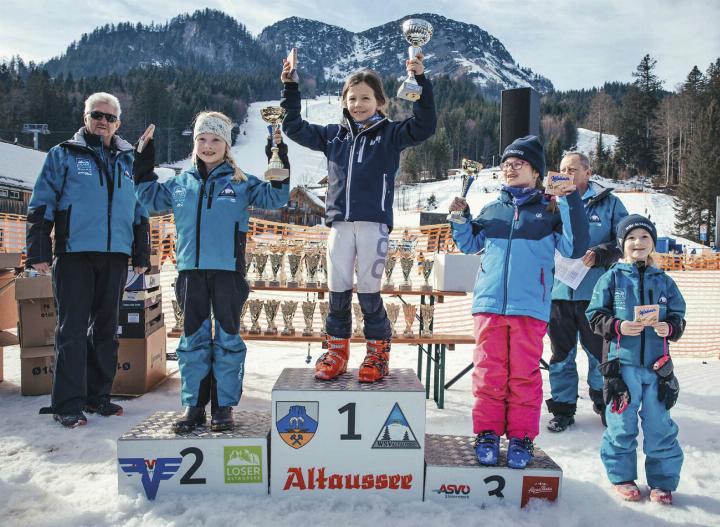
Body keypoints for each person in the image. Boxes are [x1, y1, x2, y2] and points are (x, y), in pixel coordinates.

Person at [280, 54, 436, 382]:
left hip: (373, 225)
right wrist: (291, 88)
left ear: (380, 102)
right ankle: (336, 349)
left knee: (368, 291)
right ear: (343, 102)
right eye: (352, 98)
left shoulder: (390, 134)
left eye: (366, 98)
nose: (358, 104)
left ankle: (377, 353)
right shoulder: (332, 136)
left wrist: (420, 81)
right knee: (337, 291)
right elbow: (292, 127)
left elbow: (424, 126)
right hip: (338, 224)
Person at [134, 111, 289, 433]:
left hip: (228, 274)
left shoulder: (240, 182)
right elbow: (149, 200)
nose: (208, 145)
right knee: (193, 342)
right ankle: (193, 408)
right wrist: (144, 161)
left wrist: (278, 158)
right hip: (190, 273)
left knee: (228, 342)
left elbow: (277, 196)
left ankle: (223, 407)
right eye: (202, 139)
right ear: (194, 143)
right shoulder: (180, 183)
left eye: (216, 139)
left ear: (226, 145)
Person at [449, 136, 589, 469]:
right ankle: (486, 433)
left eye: (518, 164)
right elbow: (469, 244)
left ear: (536, 172)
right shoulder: (493, 207)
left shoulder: (549, 209)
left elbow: (574, 247)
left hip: (529, 307)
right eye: (506, 165)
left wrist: (569, 200)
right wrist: (460, 219)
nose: (510, 169)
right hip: (489, 304)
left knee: (524, 376)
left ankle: (522, 436)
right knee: (488, 373)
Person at [26, 92, 150, 428]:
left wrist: (142, 252)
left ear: (118, 123)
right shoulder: (63, 155)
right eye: (97, 114)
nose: (103, 121)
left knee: (108, 330)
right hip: (75, 254)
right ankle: (68, 403)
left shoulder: (128, 162)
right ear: (86, 117)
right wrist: (38, 251)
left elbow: (140, 211)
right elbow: (41, 202)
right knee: (73, 330)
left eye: (110, 117)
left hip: (115, 256)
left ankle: (99, 397)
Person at [586, 215, 685, 505]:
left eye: (644, 237)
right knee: (621, 425)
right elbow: (594, 315)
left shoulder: (664, 281)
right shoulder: (611, 277)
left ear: (653, 243)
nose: (638, 243)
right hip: (622, 366)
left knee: (659, 425)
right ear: (622, 244)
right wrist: (618, 326)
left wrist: (671, 327)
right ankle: (623, 477)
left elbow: (678, 316)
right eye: (631, 238)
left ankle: (662, 482)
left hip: (657, 368)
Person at [546, 152, 628, 432]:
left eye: (572, 169)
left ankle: (603, 402)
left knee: (598, 353)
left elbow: (625, 239)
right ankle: (563, 408)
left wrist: (602, 253)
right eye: (562, 169)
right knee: (561, 355)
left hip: (594, 293)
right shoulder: (551, 203)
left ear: (587, 172)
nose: (567, 173)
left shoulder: (609, 203)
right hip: (559, 292)